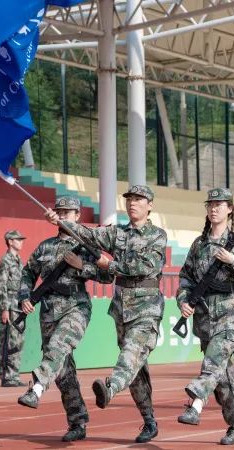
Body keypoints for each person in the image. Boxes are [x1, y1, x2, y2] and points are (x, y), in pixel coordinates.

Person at [45, 184, 168, 443]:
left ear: (150, 205)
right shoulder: (117, 233)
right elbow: (89, 235)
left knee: (129, 356)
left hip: (147, 309)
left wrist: (108, 264)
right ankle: (149, 420)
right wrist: (63, 222)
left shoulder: (157, 235)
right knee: (136, 369)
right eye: (129, 199)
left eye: (139, 199)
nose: (132, 203)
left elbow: (144, 267)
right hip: (122, 310)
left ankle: (110, 388)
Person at [16, 197, 112, 442]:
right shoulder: (45, 247)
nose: (63, 216)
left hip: (76, 307)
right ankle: (78, 422)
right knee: (63, 371)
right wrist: (25, 296)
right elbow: (27, 274)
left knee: (58, 347)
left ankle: (36, 388)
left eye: (68, 212)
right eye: (60, 212)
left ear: (77, 216)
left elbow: (107, 276)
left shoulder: (86, 245)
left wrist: (82, 266)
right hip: (49, 310)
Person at [176, 188, 234, 446]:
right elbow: (185, 278)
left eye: (220, 204)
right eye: (211, 204)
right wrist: (184, 301)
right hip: (205, 316)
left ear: (230, 209)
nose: (214, 208)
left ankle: (195, 405)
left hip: (231, 313)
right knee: (222, 378)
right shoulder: (199, 244)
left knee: (212, 363)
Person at [0, 229, 28, 388]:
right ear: (10, 241)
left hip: (18, 306)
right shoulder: (6, 260)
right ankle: (7, 377)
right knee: (8, 341)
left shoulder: (18, 260)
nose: (21, 242)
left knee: (17, 342)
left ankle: (14, 375)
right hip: (9, 306)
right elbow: (1, 285)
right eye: (18, 239)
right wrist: (4, 308)